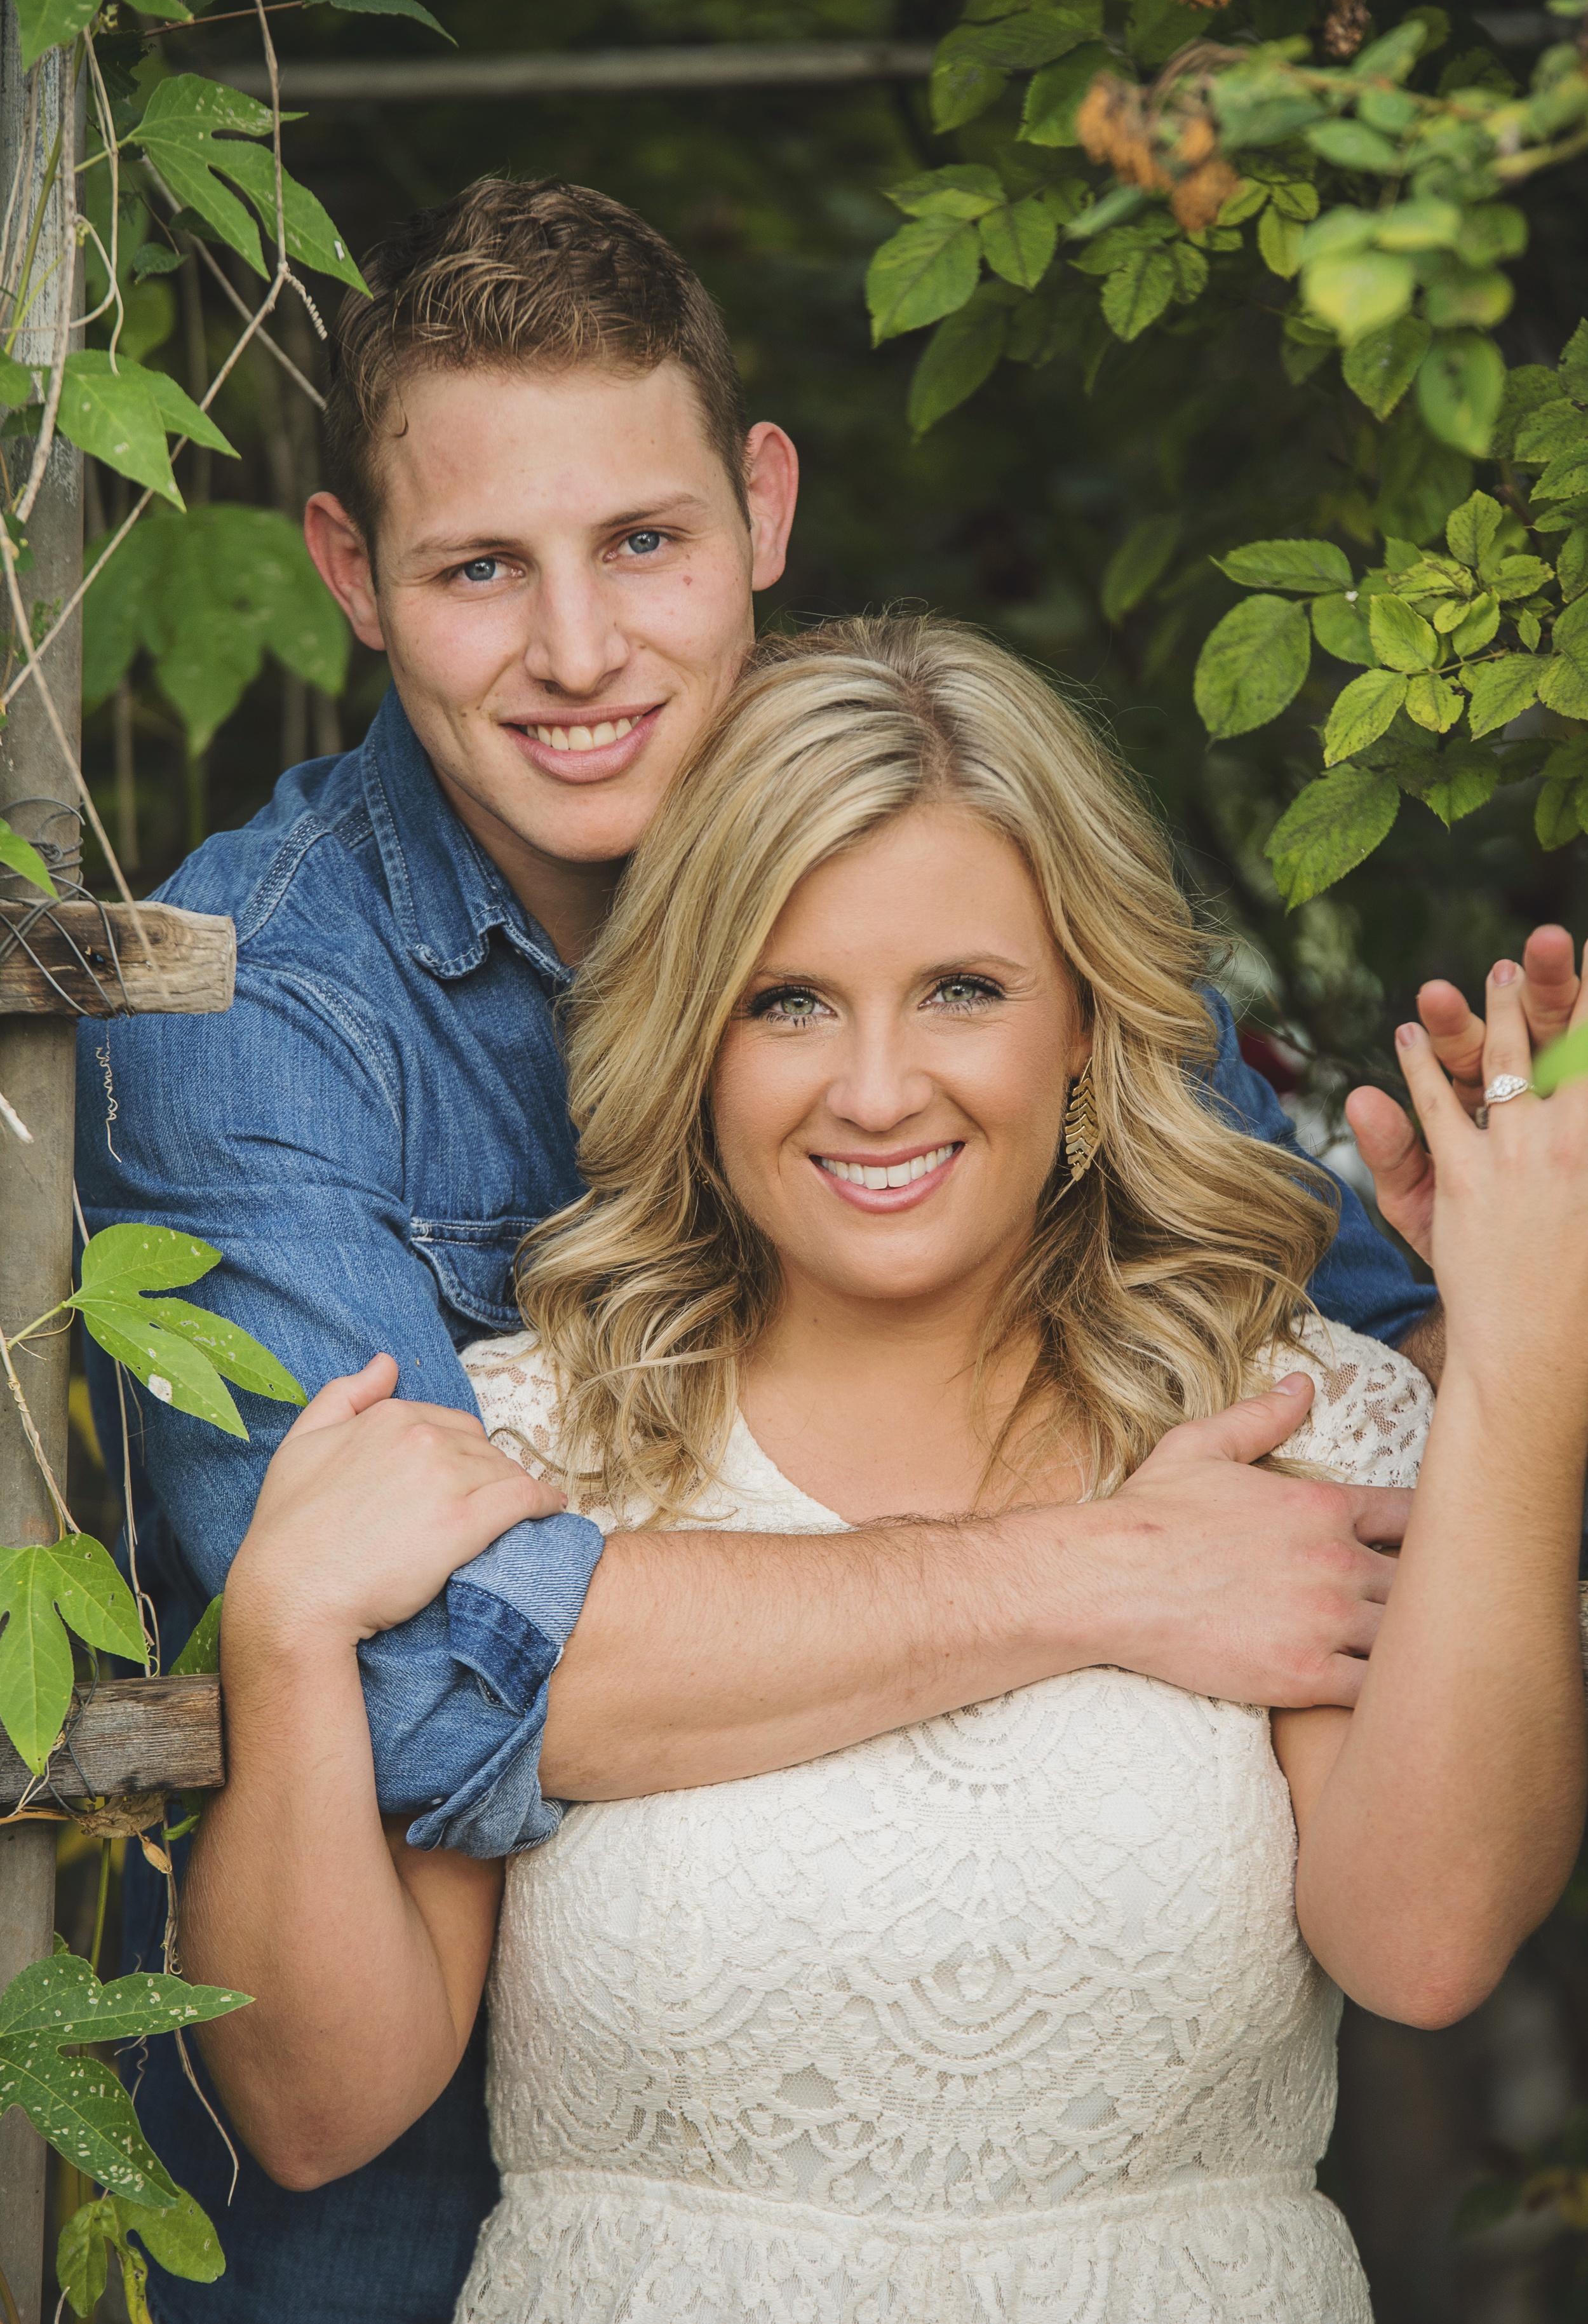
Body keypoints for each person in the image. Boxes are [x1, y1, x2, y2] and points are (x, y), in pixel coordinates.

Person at [76, 178, 1450, 2323]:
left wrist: (1502, 1312)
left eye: (642, 542)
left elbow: (1321, 1353)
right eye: (475, 570)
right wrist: (1104, 1570)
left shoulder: (972, 819)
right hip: (440, 2167)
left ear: (761, 509)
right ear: (349, 570)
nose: (581, 652)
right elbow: (440, 1693)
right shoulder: (257, 1017)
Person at [184, 616, 1588, 2324]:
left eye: (962, 991)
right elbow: (318, 2108)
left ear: (1083, 1021)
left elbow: (1425, 1940)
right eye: (788, 1000)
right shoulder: (542, 1442)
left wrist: (1523, 1360)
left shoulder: (1284, 1415)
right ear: (693, 1034)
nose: (871, 1090)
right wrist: (281, 1634)